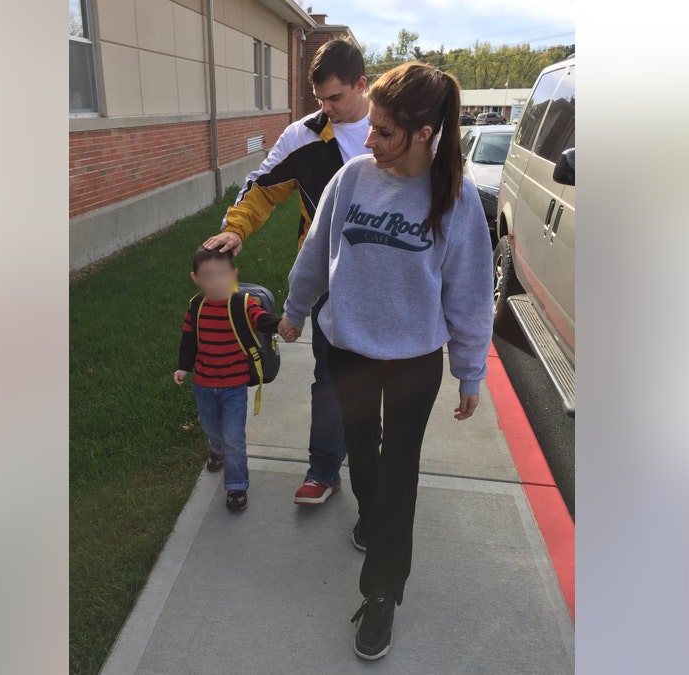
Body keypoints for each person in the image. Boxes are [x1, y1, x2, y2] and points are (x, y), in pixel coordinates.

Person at [278, 62, 493, 660]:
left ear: (425, 132)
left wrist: (470, 371)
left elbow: (471, 297)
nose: (368, 141)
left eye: (383, 132)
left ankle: (381, 593)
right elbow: (317, 254)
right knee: (360, 447)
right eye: (369, 128)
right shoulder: (352, 179)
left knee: (400, 469)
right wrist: (295, 309)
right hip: (346, 346)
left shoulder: (456, 200)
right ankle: (370, 515)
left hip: (413, 360)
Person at [202, 37, 371, 507]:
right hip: (328, 280)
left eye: (336, 98)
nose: (326, 109)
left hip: (386, 281)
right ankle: (324, 470)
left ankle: (381, 467)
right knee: (330, 376)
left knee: (381, 377)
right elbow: (260, 187)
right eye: (319, 100)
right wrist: (236, 229)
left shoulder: (394, 127)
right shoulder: (304, 135)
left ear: (362, 84)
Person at [174, 247, 284, 511]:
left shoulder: (242, 304)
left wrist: (281, 324)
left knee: (234, 436)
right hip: (203, 383)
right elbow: (189, 338)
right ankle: (216, 448)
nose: (216, 281)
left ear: (233, 274)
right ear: (196, 277)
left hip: (233, 385)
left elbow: (260, 320)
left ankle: (236, 486)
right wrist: (183, 367)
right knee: (212, 427)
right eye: (208, 276)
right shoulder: (196, 305)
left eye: (222, 275)